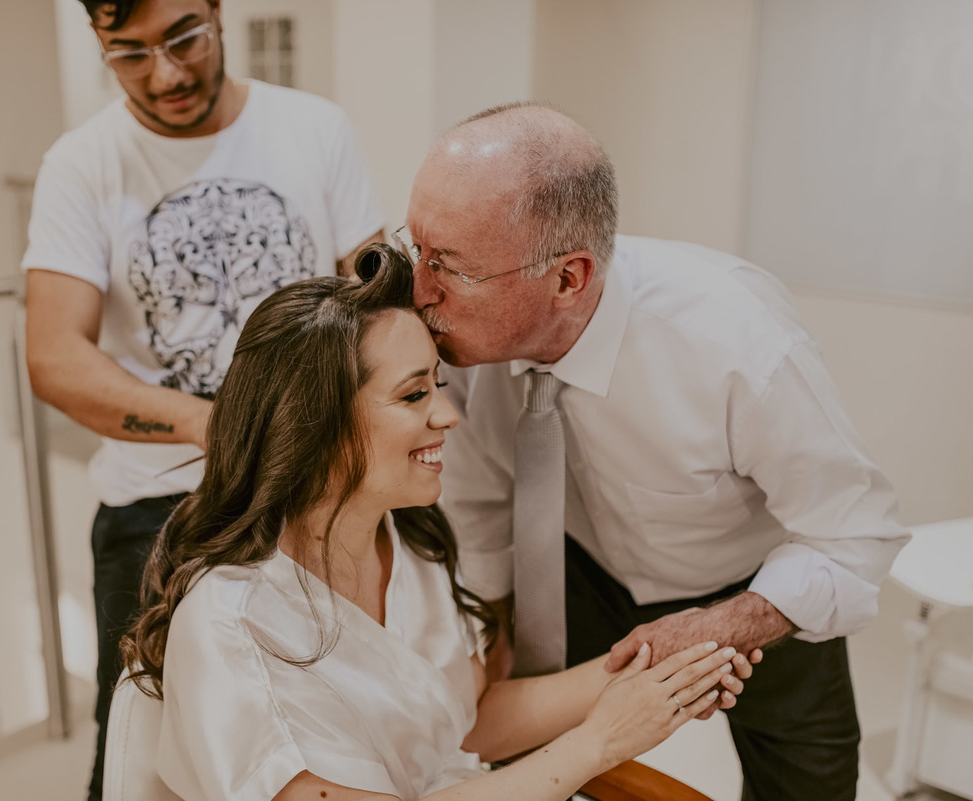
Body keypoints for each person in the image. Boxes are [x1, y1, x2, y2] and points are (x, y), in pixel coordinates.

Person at [401, 102, 911, 801]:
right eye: (417, 250)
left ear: (567, 279)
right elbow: (485, 501)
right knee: (547, 769)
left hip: (756, 588)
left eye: (449, 267)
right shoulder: (463, 341)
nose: (419, 292)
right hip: (574, 570)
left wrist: (728, 622)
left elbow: (855, 536)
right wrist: (492, 642)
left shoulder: (740, 345)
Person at [120, 245, 750, 801]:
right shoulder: (233, 621)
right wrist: (599, 744)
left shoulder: (409, 543)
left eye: (439, 386)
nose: (448, 415)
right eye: (415, 394)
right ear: (317, 425)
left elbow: (465, 723)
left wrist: (656, 661)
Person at [21, 1, 383, 798]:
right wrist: (209, 423)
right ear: (98, 42)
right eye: (130, 54)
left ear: (219, 10)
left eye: (185, 37)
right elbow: (52, 357)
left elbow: (375, 301)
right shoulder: (81, 164)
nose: (167, 73)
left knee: (330, 729)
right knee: (138, 745)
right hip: (157, 507)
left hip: (308, 489)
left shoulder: (313, 129)